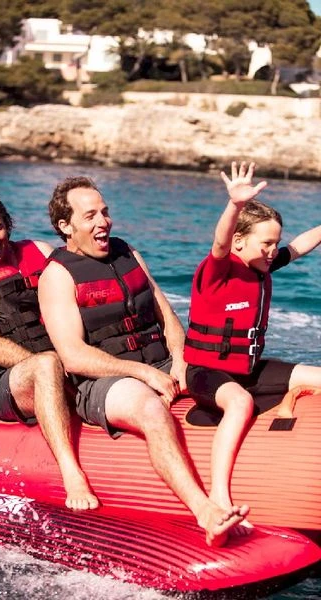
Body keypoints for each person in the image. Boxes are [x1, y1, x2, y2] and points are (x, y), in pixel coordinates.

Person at [38, 175, 249, 548]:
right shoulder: (57, 276)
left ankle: (226, 487)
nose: (103, 222)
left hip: (162, 362)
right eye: (90, 216)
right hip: (105, 382)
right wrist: (143, 373)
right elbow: (72, 355)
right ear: (66, 226)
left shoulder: (127, 252)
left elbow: (165, 313)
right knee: (151, 410)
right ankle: (206, 513)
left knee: (233, 386)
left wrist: (180, 358)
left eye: (105, 212)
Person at [184, 161, 321, 532]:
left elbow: (300, 246)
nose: (274, 250)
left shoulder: (263, 266)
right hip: (207, 373)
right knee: (240, 403)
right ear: (240, 242)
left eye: (275, 243)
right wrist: (235, 205)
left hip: (248, 370)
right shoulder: (219, 271)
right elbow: (219, 242)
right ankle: (218, 496)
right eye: (267, 244)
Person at [0, 191, 99, 511]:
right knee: (46, 366)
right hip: (14, 381)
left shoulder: (40, 251)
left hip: (70, 361)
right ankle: (71, 472)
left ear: (8, 225)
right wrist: (57, 366)